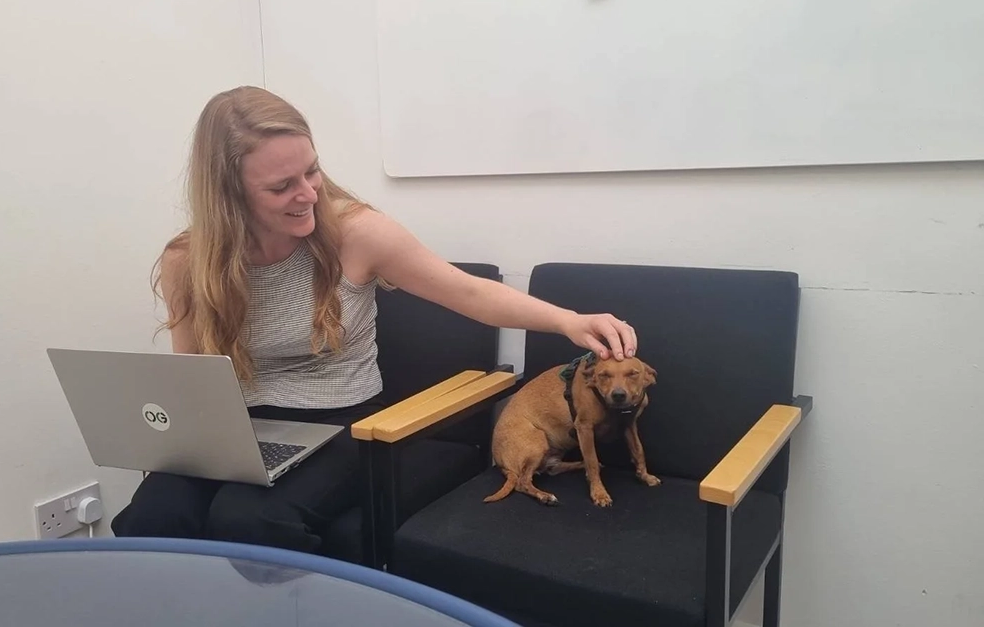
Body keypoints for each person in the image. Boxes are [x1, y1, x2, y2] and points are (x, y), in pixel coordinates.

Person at [110, 86, 638, 553]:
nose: (309, 193)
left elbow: (469, 292)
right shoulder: (188, 260)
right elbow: (190, 380)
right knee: (154, 517)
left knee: (249, 519)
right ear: (228, 194)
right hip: (238, 427)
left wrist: (569, 319)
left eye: (312, 170)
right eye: (281, 187)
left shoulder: (356, 234)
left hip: (343, 419)